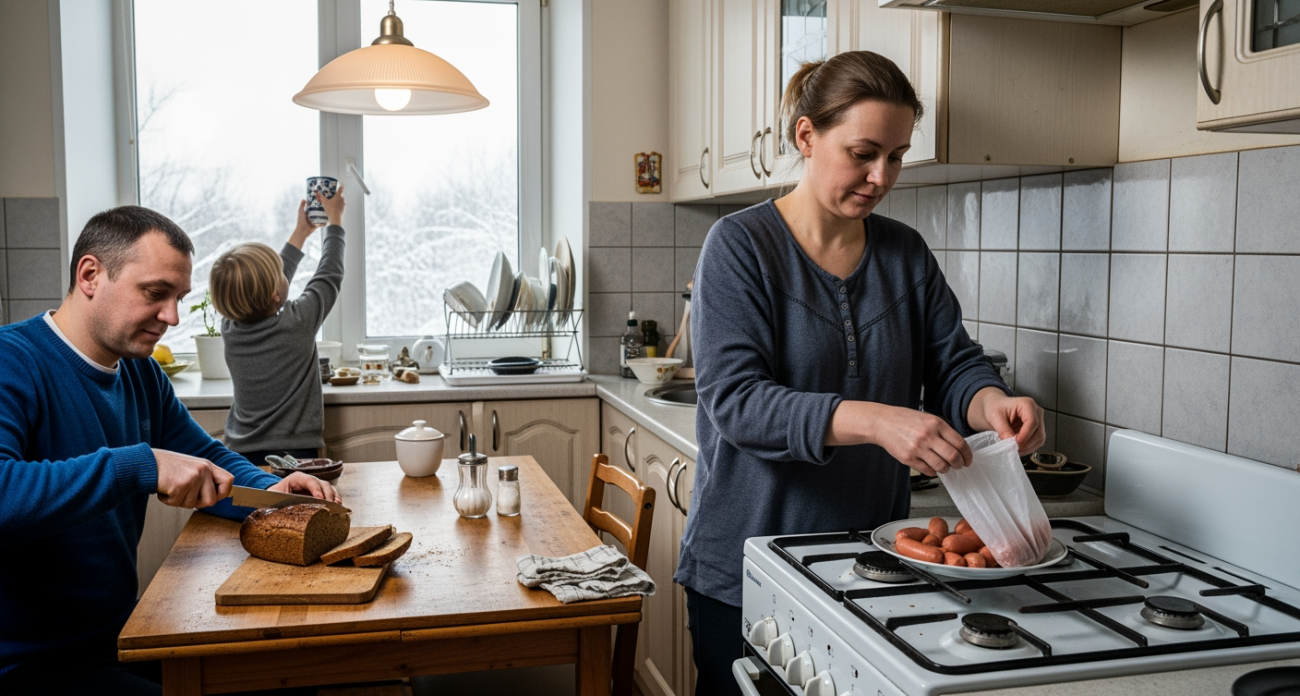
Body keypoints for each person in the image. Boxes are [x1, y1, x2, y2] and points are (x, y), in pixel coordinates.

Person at [673, 51, 1046, 695]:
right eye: (863, 153)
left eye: (896, 157)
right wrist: (876, 421)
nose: (881, 177)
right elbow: (737, 402)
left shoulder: (905, 254)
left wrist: (991, 402)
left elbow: (953, 362)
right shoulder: (740, 246)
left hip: (871, 565)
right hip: (749, 565)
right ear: (806, 136)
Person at [0, 206, 341, 695]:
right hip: (29, 666)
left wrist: (272, 489)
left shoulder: (140, 371)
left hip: (120, 639)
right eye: (155, 293)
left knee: (293, 673)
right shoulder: (12, 360)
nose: (172, 317)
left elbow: (203, 454)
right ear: (90, 275)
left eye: (178, 298)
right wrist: (139, 464)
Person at [209, 189, 346, 467]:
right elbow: (329, 273)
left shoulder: (230, 328)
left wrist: (300, 233)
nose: (284, 275)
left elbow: (258, 286)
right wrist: (336, 221)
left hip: (240, 452)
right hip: (297, 452)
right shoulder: (298, 321)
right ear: (274, 293)